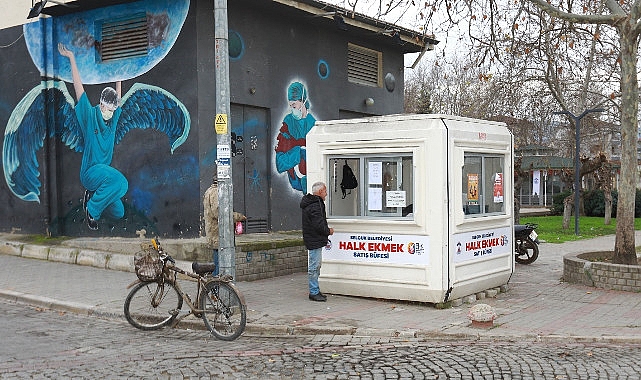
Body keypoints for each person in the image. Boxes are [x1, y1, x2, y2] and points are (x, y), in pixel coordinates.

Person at [58, 43, 127, 230]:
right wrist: (71, 57)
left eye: (114, 110)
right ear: (102, 105)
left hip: (102, 176)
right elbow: (78, 89)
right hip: (90, 172)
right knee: (121, 183)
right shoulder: (90, 116)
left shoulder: (112, 121)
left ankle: (93, 197)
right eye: (109, 109)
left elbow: (118, 98)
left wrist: (118, 76)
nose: (112, 113)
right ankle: (91, 209)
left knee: (119, 212)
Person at [274, 81, 316, 193]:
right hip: (296, 180)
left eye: (294, 105)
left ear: (303, 101)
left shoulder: (314, 125)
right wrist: (298, 152)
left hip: (313, 182)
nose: (292, 109)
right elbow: (280, 163)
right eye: (290, 106)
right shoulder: (287, 125)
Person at [203, 177, 246, 274]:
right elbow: (220, 213)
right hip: (218, 234)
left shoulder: (209, 191)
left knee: (217, 263)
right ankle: (216, 286)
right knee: (219, 265)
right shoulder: (216, 192)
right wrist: (238, 217)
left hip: (215, 233)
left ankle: (215, 286)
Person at [300, 181, 334, 302]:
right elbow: (318, 224)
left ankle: (315, 290)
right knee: (314, 266)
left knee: (316, 265)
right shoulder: (315, 205)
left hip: (313, 238)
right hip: (314, 239)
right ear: (320, 192)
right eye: (325, 191)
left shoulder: (313, 203)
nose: (326, 194)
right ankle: (314, 291)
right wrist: (328, 231)